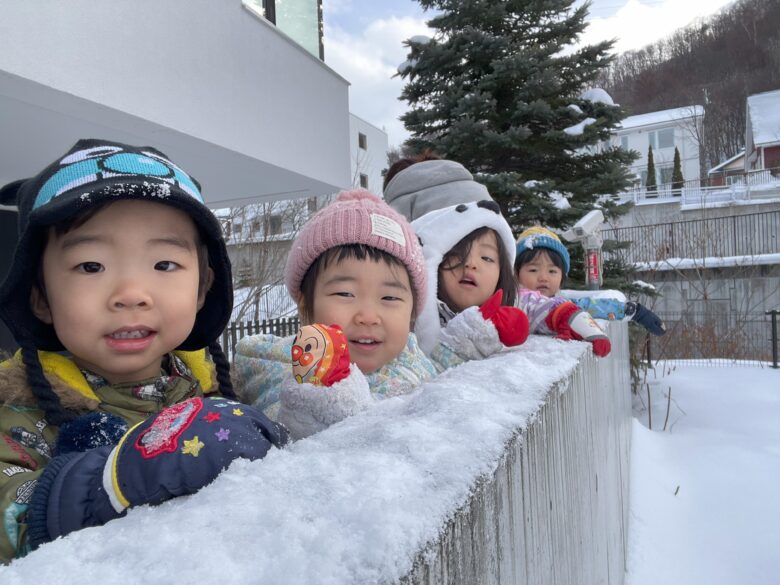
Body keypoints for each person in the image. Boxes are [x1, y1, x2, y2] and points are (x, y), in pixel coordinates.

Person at [0, 139, 286, 562]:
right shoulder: (18, 413)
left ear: (203, 287)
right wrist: (110, 482)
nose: (131, 293)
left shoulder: (212, 389)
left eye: (164, 264)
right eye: (91, 266)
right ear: (40, 296)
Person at [233, 190, 527, 440]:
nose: (368, 316)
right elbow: (283, 430)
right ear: (304, 306)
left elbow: (438, 368)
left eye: (389, 298)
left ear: (412, 309)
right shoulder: (283, 369)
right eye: (345, 293)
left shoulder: (409, 355)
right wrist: (315, 411)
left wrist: (468, 340)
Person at [385, 154, 610, 357]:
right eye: (457, 254)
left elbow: (538, 307)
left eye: (487, 258)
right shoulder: (406, 316)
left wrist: (572, 319)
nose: (472, 265)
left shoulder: (505, 304)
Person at [515, 226, 666, 336]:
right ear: (515, 274)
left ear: (562, 277)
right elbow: (573, 309)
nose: (543, 277)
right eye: (533, 270)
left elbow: (585, 306)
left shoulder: (556, 300)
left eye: (552, 271)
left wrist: (632, 311)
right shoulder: (517, 300)